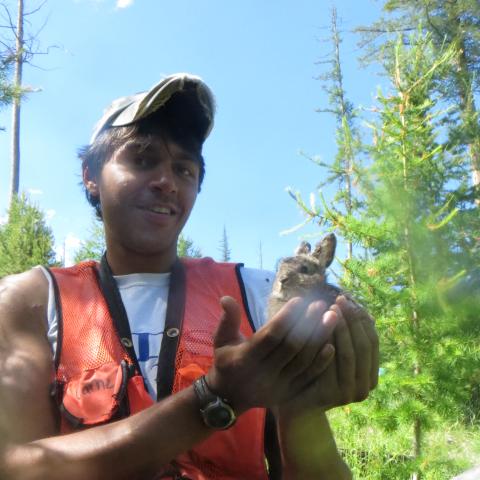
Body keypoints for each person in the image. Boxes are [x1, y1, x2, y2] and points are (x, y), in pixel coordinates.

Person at [0, 73, 379, 479]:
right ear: (90, 174)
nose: (166, 182)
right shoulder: (32, 301)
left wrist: (303, 411)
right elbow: (14, 467)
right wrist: (216, 398)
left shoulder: (262, 295)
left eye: (184, 169)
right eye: (142, 159)